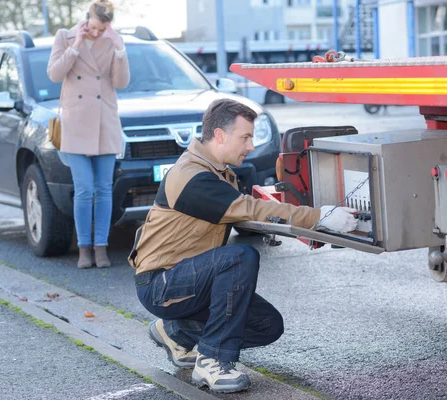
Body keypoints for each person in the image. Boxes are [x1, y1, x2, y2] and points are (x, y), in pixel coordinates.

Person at [128, 98, 357, 393]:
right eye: (245, 137)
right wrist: (318, 216)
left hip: (190, 279)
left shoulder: (219, 171)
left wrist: (307, 222)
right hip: (160, 283)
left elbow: (250, 213)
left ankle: (175, 331)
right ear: (220, 136)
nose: (250, 146)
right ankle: (212, 361)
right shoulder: (193, 178)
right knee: (239, 258)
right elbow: (247, 209)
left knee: (267, 324)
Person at [47, 0, 130, 269]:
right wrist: (76, 46)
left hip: (105, 123)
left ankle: (101, 246)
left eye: (102, 28)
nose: (96, 33)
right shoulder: (65, 36)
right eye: (93, 27)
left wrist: (120, 51)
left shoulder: (113, 42)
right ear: (87, 19)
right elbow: (54, 74)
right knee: (84, 189)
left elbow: (121, 83)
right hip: (76, 125)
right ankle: (84, 248)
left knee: (104, 190)